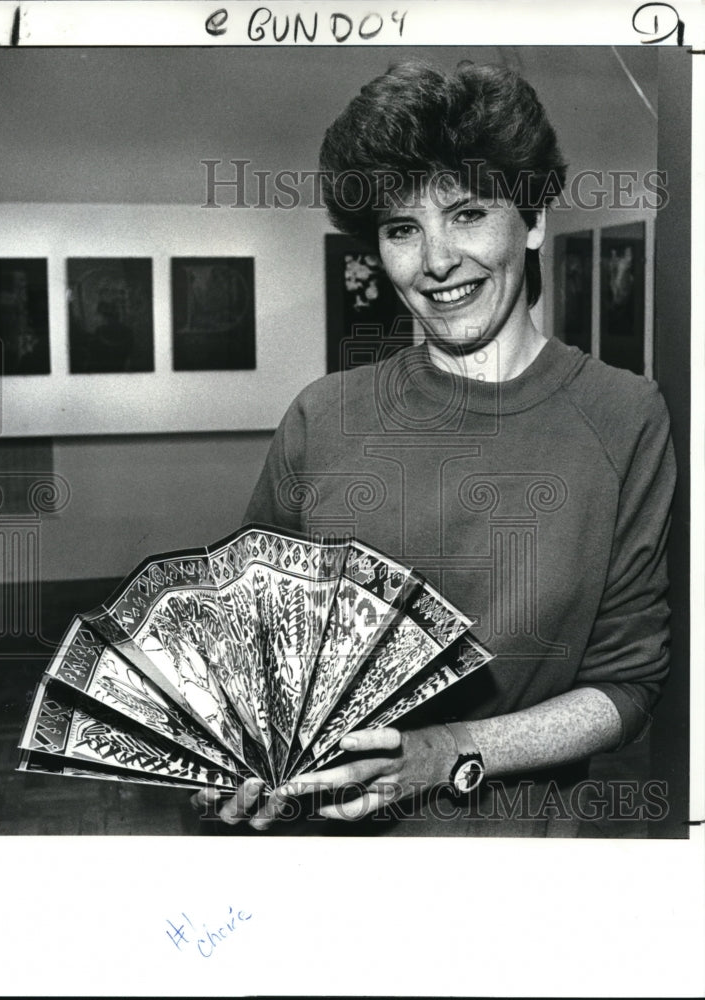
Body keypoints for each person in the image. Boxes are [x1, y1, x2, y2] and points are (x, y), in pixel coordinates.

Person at [192, 61, 676, 836]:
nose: (436, 261)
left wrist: (444, 751)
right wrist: (227, 753)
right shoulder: (325, 417)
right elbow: (250, 654)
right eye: (401, 228)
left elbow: (625, 688)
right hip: (323, 864)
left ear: (534, 219)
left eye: (468, 214)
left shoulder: (621, 416)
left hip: (518, 869)